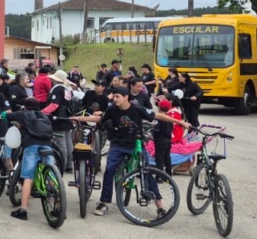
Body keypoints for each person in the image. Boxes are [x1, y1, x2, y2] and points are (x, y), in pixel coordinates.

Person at [71, 85, 188, 218]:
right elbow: (100, 119)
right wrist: (80, 119)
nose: (114, 99)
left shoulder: (137, 109)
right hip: (118, 145)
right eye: (113, 96)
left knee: (147, 171)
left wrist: (181, 123)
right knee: (109, 169)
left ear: (126, 97)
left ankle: (159, 206)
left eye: (117, 96)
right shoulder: (112, 109)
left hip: (136, 144)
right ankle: (103, 202)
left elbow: (159, 116)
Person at [3, 99, 56, 221]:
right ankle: (57, 207)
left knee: (28, 177)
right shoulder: (44, 115)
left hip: (31, 146)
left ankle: (23, 210)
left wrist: (1, 116)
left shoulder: (23, 114)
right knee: (51, 175)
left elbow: (6, 115)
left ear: (25, 107)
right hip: (47, 145)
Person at [42, 70, 76, 172]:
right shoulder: (68, 89)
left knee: (61, 144)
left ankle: (62, 165)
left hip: (58, 119)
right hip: (67, 118)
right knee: (68, 143)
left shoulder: (57, 89)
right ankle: (69, 165)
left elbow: (54, 105)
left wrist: (42, 112)